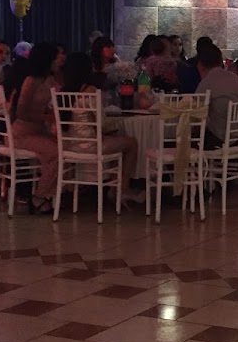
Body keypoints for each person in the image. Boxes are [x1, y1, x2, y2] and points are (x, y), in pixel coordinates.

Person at [59, 52, 141, 192]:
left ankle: (114, 188)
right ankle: (123, 190)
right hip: (91, 146)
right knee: (131, 143)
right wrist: (120, 121)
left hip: (70, 145)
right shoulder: (90, 90)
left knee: (117, 140)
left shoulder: (64, 91)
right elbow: (102, 124)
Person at [10, 42, 61, 214]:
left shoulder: (51, 80)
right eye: (55, 58)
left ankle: (53, 192)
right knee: (55, 152)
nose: (58, 60)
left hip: (39, 130)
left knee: (65, 146)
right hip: (22, 133)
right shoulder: (30, 81)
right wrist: (47, 117)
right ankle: (39, 196)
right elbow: (21, 112)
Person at [195, 42, 238, 148]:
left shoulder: (208, 82)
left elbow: (196, 110)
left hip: (219, 138)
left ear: (200, 65)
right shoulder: (235, 78)